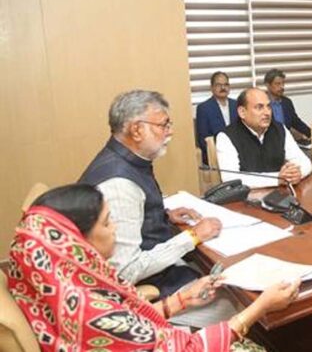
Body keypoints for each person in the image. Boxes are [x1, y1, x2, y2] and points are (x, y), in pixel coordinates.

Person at [9, 184, 299, 352]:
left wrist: (181, 300)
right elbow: (191, 349)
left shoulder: (66, 281)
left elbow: (130, 325)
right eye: (107, 222)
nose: (115, 228)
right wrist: (260, 307)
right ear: (76, 240)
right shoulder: (87, 312)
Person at [80, 90, 222, 297]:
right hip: (142, 292)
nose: (170, 132)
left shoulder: (126, 160)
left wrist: (162, 216)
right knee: (233, 297)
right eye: (163, 125)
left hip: (159, 268)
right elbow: (125, 272)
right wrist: (193, 236)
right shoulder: (119, 185)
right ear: (137, 130)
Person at [216, 88, 312, 188]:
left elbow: (305, 163)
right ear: (242, 112)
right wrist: (277, 179)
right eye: (259, 107)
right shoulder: (226, 137)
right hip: (247, 195)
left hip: (281, 193)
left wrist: (297, 174)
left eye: (268, 107)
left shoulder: (279, 129)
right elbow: (230, 178)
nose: (267, 113)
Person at [196, 72, 238, 164]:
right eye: (219, 85)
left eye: (226, 85)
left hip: (238, 153)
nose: (223, 88)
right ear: (212, 88)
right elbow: (203, 139)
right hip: (215, 154)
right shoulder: (204, 108)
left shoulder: (237, 105)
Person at [264, 68, 312, 142]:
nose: (282, 87)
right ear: (268, 85)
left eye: (283, 83)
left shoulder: (286, 102)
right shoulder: (262, 103)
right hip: (267, 141)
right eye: (277, 84)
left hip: (286, 141)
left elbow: (296, 122)